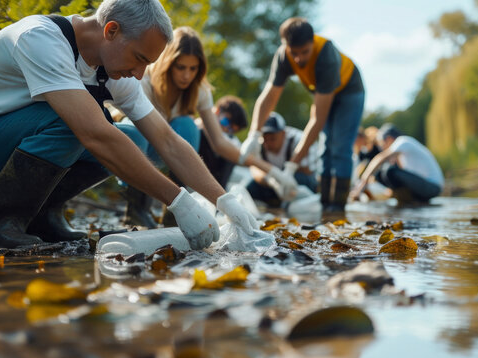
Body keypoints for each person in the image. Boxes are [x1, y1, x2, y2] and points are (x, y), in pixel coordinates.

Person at [0, 0, 256, 250]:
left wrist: (225, 201)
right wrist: (179, 202)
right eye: (138, 58)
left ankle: (42, 217)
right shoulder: (40, 38)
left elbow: (167, 140)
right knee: (83, 125)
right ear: (111, 31)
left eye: (146, 65)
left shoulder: (111, 68)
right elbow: (94, 134)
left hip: (3, 147)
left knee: (133, 139)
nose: (139, 75)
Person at [122, 26, 297, 227]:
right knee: (136, 131)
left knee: (187, 126)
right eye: (181, 67)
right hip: (135, 148)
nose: (187, 76)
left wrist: (272, 172)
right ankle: (136, 209)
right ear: (168, 63)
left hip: (168, 150)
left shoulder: (199, 91)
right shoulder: (145, 81)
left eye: (193, 69)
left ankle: (172, 213)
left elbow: (220, 143)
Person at [239, 17, 365, 212]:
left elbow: (317, 120)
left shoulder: (326, 56)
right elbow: (269, 97)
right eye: (293, 52)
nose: (298, 59)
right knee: (325, 148)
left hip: (350, 91)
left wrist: (291, 167)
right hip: (322, 92)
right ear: (285, 46)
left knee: (339, 147)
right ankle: (324, 205)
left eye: (304, 52)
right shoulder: (283, 56)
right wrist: (254, 134)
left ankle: (338, 208)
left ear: (312, 42)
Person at [350, 123, 444, 204]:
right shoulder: (403, 153)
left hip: (432, 187)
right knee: (380, 173)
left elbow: (380, 158)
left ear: (389, 139)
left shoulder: (403, 141)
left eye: (383, 144)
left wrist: (362, 184)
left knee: (388, 171)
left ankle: (406, 199)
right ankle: (407, 200)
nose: (382, 148)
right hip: (425, 187)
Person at [246, 112, 320, 207]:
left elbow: (309, 170)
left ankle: (291, 204)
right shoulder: (258, 144)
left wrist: (287, 175)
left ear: (283, 133)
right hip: (270, 182)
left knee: (301, 180)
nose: (268, 143)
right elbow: (253, 167)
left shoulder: (298, 140)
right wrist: (271, 181)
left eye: (272, 139)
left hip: (296, 179)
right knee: (250, 187)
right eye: (265, 139)